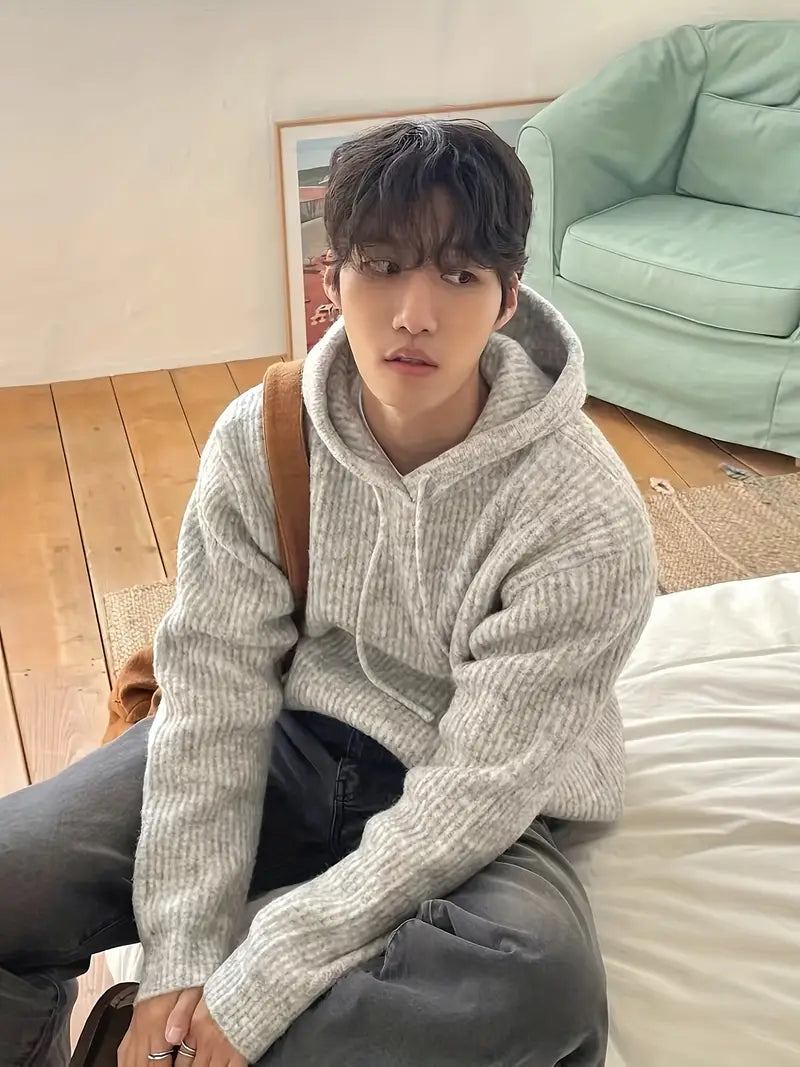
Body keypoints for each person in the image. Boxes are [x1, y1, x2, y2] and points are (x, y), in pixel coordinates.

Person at [0, 119, 656, 1067]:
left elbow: (477, 789)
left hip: (478, 786)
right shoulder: (263, 436)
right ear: (332, 278)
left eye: (459, 275)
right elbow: (216, 693)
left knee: (537, 982)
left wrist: (254, 987)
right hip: (294, 736)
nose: (415, 313)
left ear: (509, 296)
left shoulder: (584, 514)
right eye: (382, 267)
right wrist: (182, 957)